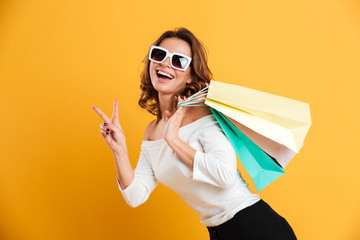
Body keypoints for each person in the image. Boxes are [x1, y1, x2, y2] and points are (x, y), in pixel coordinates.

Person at [92, 27, 297, 240]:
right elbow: (136, 195)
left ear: (190, 76)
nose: (165, 63)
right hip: (219, 231)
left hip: (254, 227)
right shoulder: (152, 132)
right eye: (159, 54)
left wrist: (174, 140)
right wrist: (120, 149)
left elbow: (225, 176)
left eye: (178, 60)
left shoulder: (203, 113)